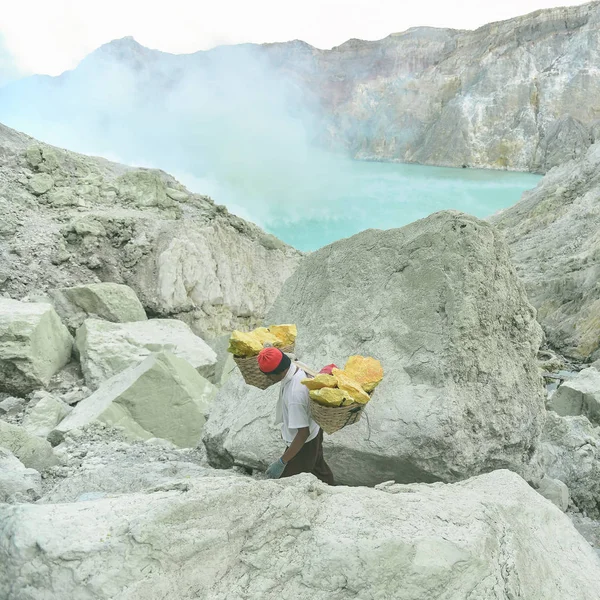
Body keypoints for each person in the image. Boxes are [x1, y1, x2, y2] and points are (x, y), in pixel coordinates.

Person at [257, 347, 334, 485]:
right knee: (318, 468)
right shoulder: (296, 365)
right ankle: (334, 491)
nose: (268, 378)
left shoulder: (295, 394)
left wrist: (282, 461)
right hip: (315, 428)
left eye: (268, 375)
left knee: (287, 482)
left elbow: (303, 434)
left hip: (304, 443)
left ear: (277, 373)